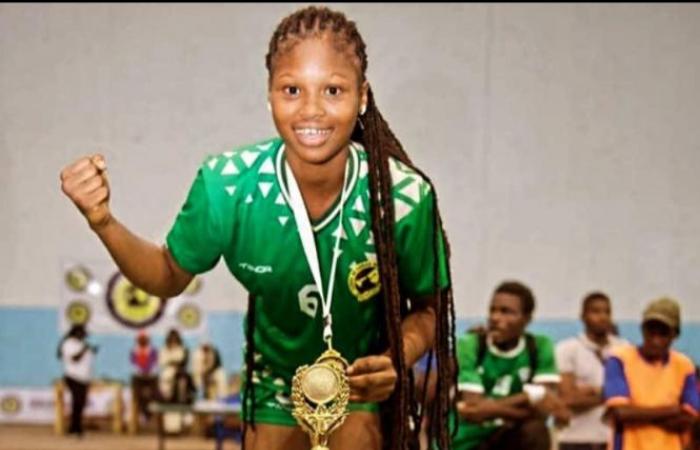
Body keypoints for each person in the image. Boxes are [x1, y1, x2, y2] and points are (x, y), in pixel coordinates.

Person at [59, 6, 456, 449]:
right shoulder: (228, 187)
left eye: (333, 90)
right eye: (291, 90)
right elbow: (167, 274)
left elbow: (430, 307)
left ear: (362, 97)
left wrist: (396, 359)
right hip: (272, 389)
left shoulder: (402, 198)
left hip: (363, 388)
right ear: (269, 95)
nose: (311, 111)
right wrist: (103, 222)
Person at [452, 281, 570, 450]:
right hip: (468, 441)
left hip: (510, 437)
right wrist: (529, 396)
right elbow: (472, 409)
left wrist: (488, 408)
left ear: (526, 319)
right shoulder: (471, 345)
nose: (495, 317)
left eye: (506, 312)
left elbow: (543, 410)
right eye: (492, 310)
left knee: (536, 431)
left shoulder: (538, 347)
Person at [603, 297, 699, 450]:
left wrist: (637, 413)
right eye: (651, 331)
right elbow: (620, 413)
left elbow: (688, 419)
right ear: (642, 329)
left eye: (663, 334)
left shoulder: (684, 366)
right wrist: (672, 410)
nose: (655, 340)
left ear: (675, 335)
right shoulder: (619, 360)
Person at [555, 291, 627, 450]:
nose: (602, 317)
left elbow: (632, 394)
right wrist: (611, 394)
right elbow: (567, 399)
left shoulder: (624, 350)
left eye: (607, 312)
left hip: (614, 438)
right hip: (575, 439)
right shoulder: (567, 349)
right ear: (583, 316)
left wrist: (593, 392)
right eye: (596, 311)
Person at [57, 324, 97, 437]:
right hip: (74, 376)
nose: (85, 336)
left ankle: (76, 428)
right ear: (77, 333)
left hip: (84, 377)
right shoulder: (68, 343)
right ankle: (74, 428)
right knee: (77, 402)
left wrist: (91, 350)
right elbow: (74, 358)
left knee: (80, 404)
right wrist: (85, 349)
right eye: (83, 333)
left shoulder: (80, 343)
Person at [158, 328, 191, 402]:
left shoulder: (182, 348)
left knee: (181, 378)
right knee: (165, 376)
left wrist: (173, 362)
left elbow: (182, 360)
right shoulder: (164, 349)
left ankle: (181, 398)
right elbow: (162, 362)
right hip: (167, 370)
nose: (173, 339)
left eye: (175, 337)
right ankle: (165, 397)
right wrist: (171, 362)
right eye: (171, 337)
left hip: (178, 370)